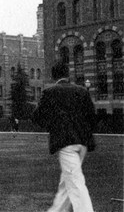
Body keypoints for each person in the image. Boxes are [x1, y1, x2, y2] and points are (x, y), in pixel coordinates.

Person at [32, 61, 97, 212]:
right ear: (68, 74)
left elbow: (37, 117)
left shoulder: (50, 92)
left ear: (54, 76)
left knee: (75, 184)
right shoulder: (82, 91)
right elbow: (92, 118)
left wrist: (52, 125)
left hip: (66, 142)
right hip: (83, 142)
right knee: (67, 183)